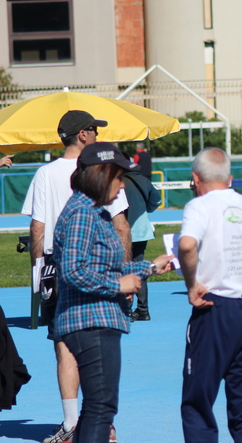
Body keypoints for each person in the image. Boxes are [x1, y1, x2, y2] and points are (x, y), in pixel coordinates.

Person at [21, 110, 131, 443]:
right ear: (82, 135)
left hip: (57, 265)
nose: (97, 135)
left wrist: (39, 273)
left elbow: (38, 227)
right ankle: (102, 422)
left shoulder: (45, 173)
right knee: (102, 345)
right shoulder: (103, 170)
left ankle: (71, 423)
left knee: (65, 346)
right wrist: (124, 273)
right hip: (98, 266)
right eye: (94, 130)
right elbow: (121, 224)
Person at [53, 142, 173, 443]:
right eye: (119, 178)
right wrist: (117, 286)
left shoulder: (94, 212)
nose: (122, 186)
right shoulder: (82, 213)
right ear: (102, 175)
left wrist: (151, 268)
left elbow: (104, 265)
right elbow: (73, 270)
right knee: (101, 407)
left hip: (95, 319)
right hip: (89, 321)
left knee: (100, 407)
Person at [177, 147, 242, 443]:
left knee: (198, 399)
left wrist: (191, 283)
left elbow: (186, 245)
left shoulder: (200, 206)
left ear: (196, 179)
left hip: (216, 307)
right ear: (230, 178)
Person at [124, 170, 162, 321]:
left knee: (121, 268)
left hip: (122, 232)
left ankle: (125, 309)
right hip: (141, 230)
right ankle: (143, 309)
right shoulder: (142, 179)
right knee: (139, 266)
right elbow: (156, 201)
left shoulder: (115, 181)